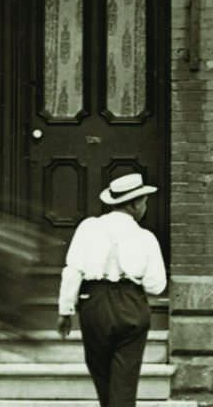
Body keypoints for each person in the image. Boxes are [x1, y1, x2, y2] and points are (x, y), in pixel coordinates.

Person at [57, 173, 167, 407]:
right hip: (131, 304)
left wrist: (65, 310)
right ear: (134, 204)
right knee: (125, 379)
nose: (145, 206)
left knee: (101, 373)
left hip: (94, 303)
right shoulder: (145, 238)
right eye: (144, 201)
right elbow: (156, 285)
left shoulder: (88, 228)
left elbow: (73, 270)